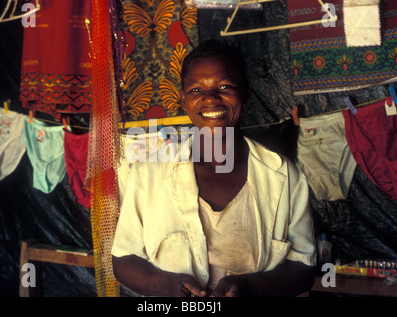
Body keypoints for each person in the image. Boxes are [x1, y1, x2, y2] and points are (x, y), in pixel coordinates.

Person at [111, 39, 316, 297]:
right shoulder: (148, 175)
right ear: (183, 100)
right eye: (197, 90)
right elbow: (123, 260)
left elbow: (304, 266)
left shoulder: (284, 176)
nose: (210, 98)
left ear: (247, 92)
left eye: (225, 86)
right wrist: (166, 284)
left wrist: (252, 287)